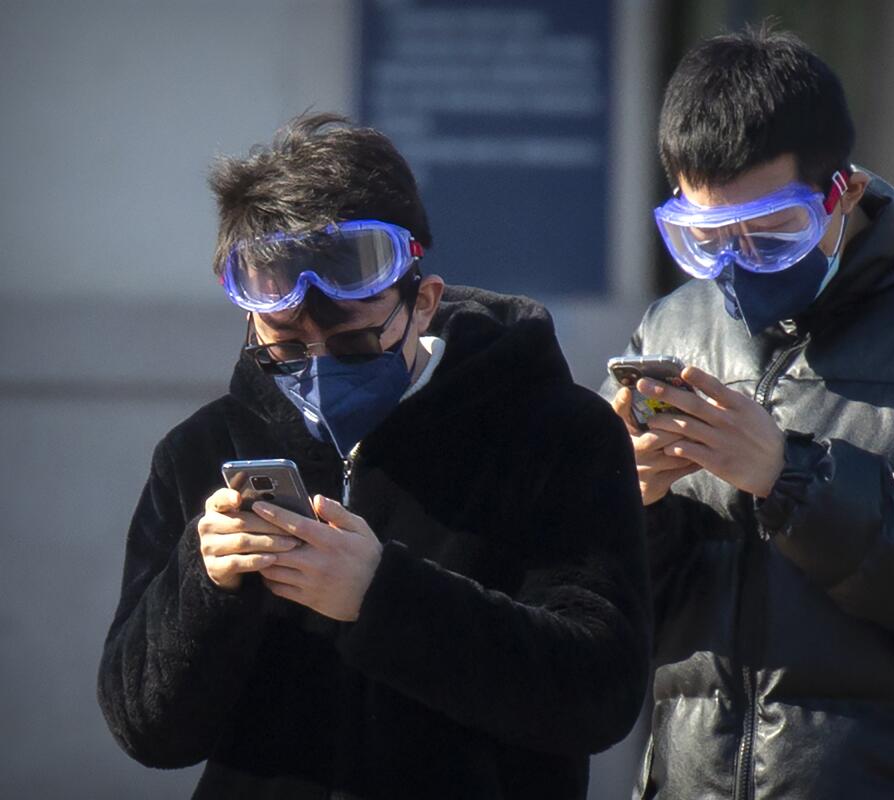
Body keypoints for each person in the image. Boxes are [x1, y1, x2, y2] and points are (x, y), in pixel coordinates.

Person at [98, 113, 651, 799]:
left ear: (423, 303)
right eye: (287, 348)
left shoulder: (556, 433)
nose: (322, 366)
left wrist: (382, 598)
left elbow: (599, 692)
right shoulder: (203, 452)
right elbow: (145, 731)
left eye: (355, 344)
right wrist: (203, 583)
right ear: (251, 319)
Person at [602, 28, 894, 799]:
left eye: (772, 235)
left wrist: (793, 478)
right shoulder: (672, 330)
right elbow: (609, 610)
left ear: (843, 194)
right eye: (703, 240)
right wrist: (632, 507)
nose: (735, 268)